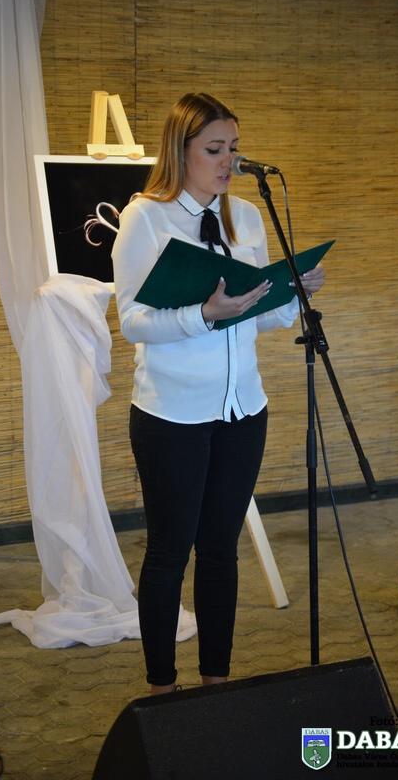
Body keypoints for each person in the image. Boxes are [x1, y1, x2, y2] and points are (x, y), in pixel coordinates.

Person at [112, 92, 325, 696]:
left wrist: (291, 295)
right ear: (180, 151)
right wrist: (203, 314)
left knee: (220, 551)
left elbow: (255, 316)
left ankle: (216, 687)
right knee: (169, 552)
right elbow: (132, 322)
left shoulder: (247, 218)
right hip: (172, 415)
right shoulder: (145, 218)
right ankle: (162, 692)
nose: (229, 161)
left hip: (243, 410)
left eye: (233, 147)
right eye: (214, 149)